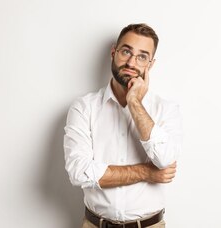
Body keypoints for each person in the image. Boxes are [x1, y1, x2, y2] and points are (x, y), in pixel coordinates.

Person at [63, 23, 182, 228]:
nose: (131, 62)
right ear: (113, 52)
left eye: (142, 56)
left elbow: (164, 161)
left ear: (150, 65)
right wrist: (146, 172)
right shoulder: (84, 108)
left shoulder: (166, 109)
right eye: (126, 51)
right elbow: (79, 172)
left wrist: (134, 102)